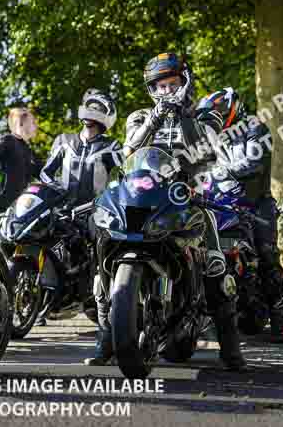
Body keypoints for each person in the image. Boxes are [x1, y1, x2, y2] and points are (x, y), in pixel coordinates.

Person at [89, 52, 247, 371]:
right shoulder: (139, 117)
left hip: (186, 201)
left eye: (172, 84)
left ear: (184, 83)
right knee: (101, 254)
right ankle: (107, 338)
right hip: (141, 201)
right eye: (160, 86)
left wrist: (184, 112)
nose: (166, 91)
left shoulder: (200, 119)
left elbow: (204, 151)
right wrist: (158, 115)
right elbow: (130, 149)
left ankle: (230, 349)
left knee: (216, 264)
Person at [197, 87, 283, 343]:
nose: (217, 115)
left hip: (256, 204)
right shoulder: (211, 138)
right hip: (222, 204)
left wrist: (219, 172)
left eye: (220, 110)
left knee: (267, 254)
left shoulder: (254, 127)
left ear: (233, 106)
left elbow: (253, 163)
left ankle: (279, 317)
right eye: (212, 112)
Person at [39, 89, 122, 331]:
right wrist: (54, 190)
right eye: (90, 106)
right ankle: (41, 298)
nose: (91, 112)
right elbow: (46, 172)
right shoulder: (64, 141)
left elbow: (123, 175)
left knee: (100, 256)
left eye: (98, 108)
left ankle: (105, 305)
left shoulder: (112, 146)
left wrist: (110, 197)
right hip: (62, 209)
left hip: (95, 212)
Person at [0, 107, 42, 215]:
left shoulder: (28, 151)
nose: (36, 126)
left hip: (17, 209)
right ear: (20, 124)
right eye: (32, 122)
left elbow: (43, 172)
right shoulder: (8, 141)